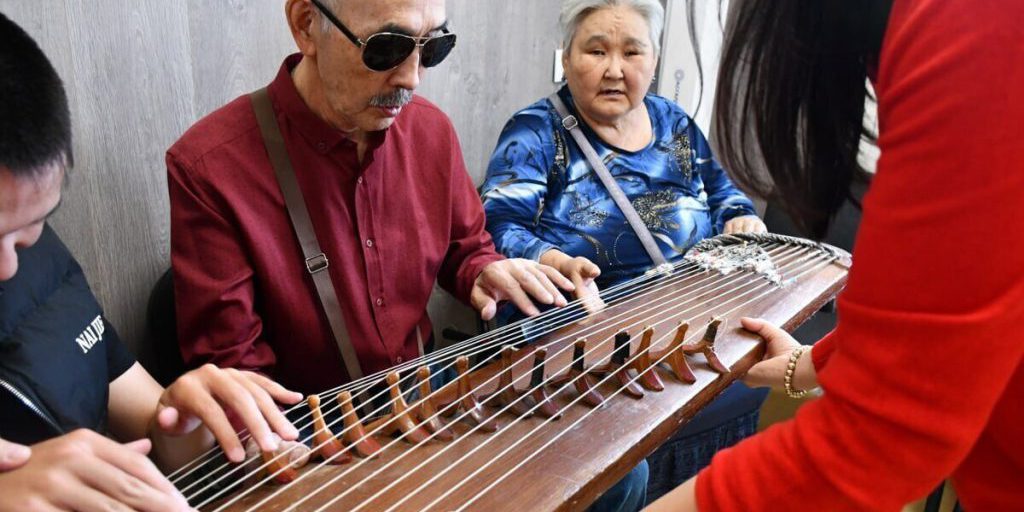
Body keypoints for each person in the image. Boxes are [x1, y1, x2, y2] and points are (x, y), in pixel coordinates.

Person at [166, 0, 645, 510]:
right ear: (307, 24)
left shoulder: (429, 131)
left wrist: (486, 272)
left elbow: (466, 248)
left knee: (620, 472)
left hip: (426, 391)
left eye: (433, 47)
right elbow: (238, 379)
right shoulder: (210, 166)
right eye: (387, 47)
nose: (413, 77)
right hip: (316, 434)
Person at [647, 0, 1024, 510]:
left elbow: (876, 440)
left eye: (632, 50)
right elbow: (943, 307)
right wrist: (805, 362)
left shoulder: (973, 22)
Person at [0, 12, 306, 511]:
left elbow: (150, 424)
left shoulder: (41, 265)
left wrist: (183, 417)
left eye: (30, 227)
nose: (9, 268)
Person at [479, 0, 767, 503]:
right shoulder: (536, 131)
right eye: (596, 50)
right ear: (566, 58)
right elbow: (499, 225)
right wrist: (553, 261)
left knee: (748, 384)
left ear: (653, 61)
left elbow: (725, 194)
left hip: (689, 321)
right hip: (592, 337)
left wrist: (741, 216)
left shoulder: (673, 123)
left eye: (632, 51)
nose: (615, 69)